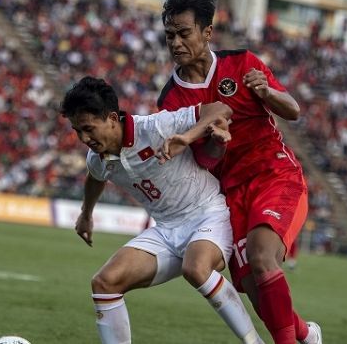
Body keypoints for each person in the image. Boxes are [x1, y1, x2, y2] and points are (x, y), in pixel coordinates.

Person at [157, 0, 321, 344]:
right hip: (231, 193)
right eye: (170, 35)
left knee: (263, 259)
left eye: (184, 33)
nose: (176, 43)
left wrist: (266, 92)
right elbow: (201, 160)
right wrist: (215, 145)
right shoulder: (171, 100)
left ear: (207, 32)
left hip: (274, 175)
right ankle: (307, 335)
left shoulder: (242, 63)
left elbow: (292, 109)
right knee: (252, 286)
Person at [61, 76, 264, 344]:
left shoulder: (155, 127)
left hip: (209, 214)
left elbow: (220, 109)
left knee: (196, 268)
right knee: (104, 283)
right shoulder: (98, 158)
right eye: (77, 131)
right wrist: (86, 215)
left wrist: (188, 136)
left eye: (88, 128)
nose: (84, 138)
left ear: (112, 118)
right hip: (166, 230)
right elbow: (95, 177)